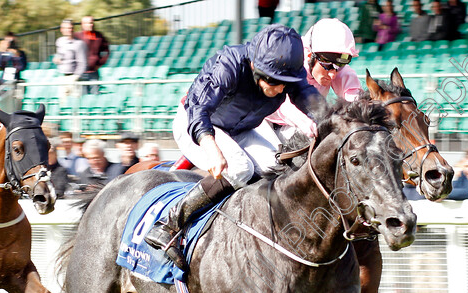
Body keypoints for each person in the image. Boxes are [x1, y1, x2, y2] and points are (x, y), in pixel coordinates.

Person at [144, 24, 322, 270]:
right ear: (255, 67)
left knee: (279, 165)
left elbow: (311, 99)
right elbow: (199, 109)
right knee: (239, 168)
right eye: (275, 81)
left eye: (286, 83)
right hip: (195, 123)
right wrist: (210, 145)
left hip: (239, 129)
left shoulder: (286, 70)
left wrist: (333, 120)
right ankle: (168, 224)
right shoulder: (229, 64)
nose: (281, 89)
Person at [266, 18, 361, 139]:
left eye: (339, 66)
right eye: (328, 66)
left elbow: (355, 102)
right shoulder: (289, 60)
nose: (333, 75)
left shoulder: (334, 66)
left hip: (296, 124)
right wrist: (311, 123)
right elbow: (283, 105)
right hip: (263, 119)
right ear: (311, 55)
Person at [53, 19, 88, 101]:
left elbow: (82, 63)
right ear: (62, 29)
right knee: (62, 102)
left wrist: (76, 76)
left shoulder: (79, 44)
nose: (69, 30)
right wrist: (56, 59)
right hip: (62, 77)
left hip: (73, 77)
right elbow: (59, 55)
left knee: (75, 101)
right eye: (66, 28)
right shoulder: (60, 41)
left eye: (70, 28)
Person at [74, 16, 110, 94]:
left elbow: (106, 51)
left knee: (95, 95)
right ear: (82, 24)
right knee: (82, 96)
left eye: (91, 22)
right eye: (87, 23)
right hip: (80, 73)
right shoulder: (76, 37)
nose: (90, 25)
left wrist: (99, 63)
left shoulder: (99, 36)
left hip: (94, 72)